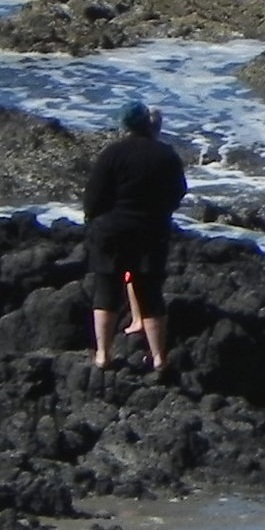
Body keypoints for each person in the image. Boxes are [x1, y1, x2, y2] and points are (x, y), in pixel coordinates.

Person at [83, 100, 187, 370]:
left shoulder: (112, 154)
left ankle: (103, 355)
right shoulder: (166, 155)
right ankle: (159, 359)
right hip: (151, 231)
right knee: (151, 294)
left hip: (112, 230)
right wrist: (161, 212)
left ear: (124, 125)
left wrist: (95, 219)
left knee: (106, 291)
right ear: (147, 123)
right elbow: (178, 192)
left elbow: (93, 197)